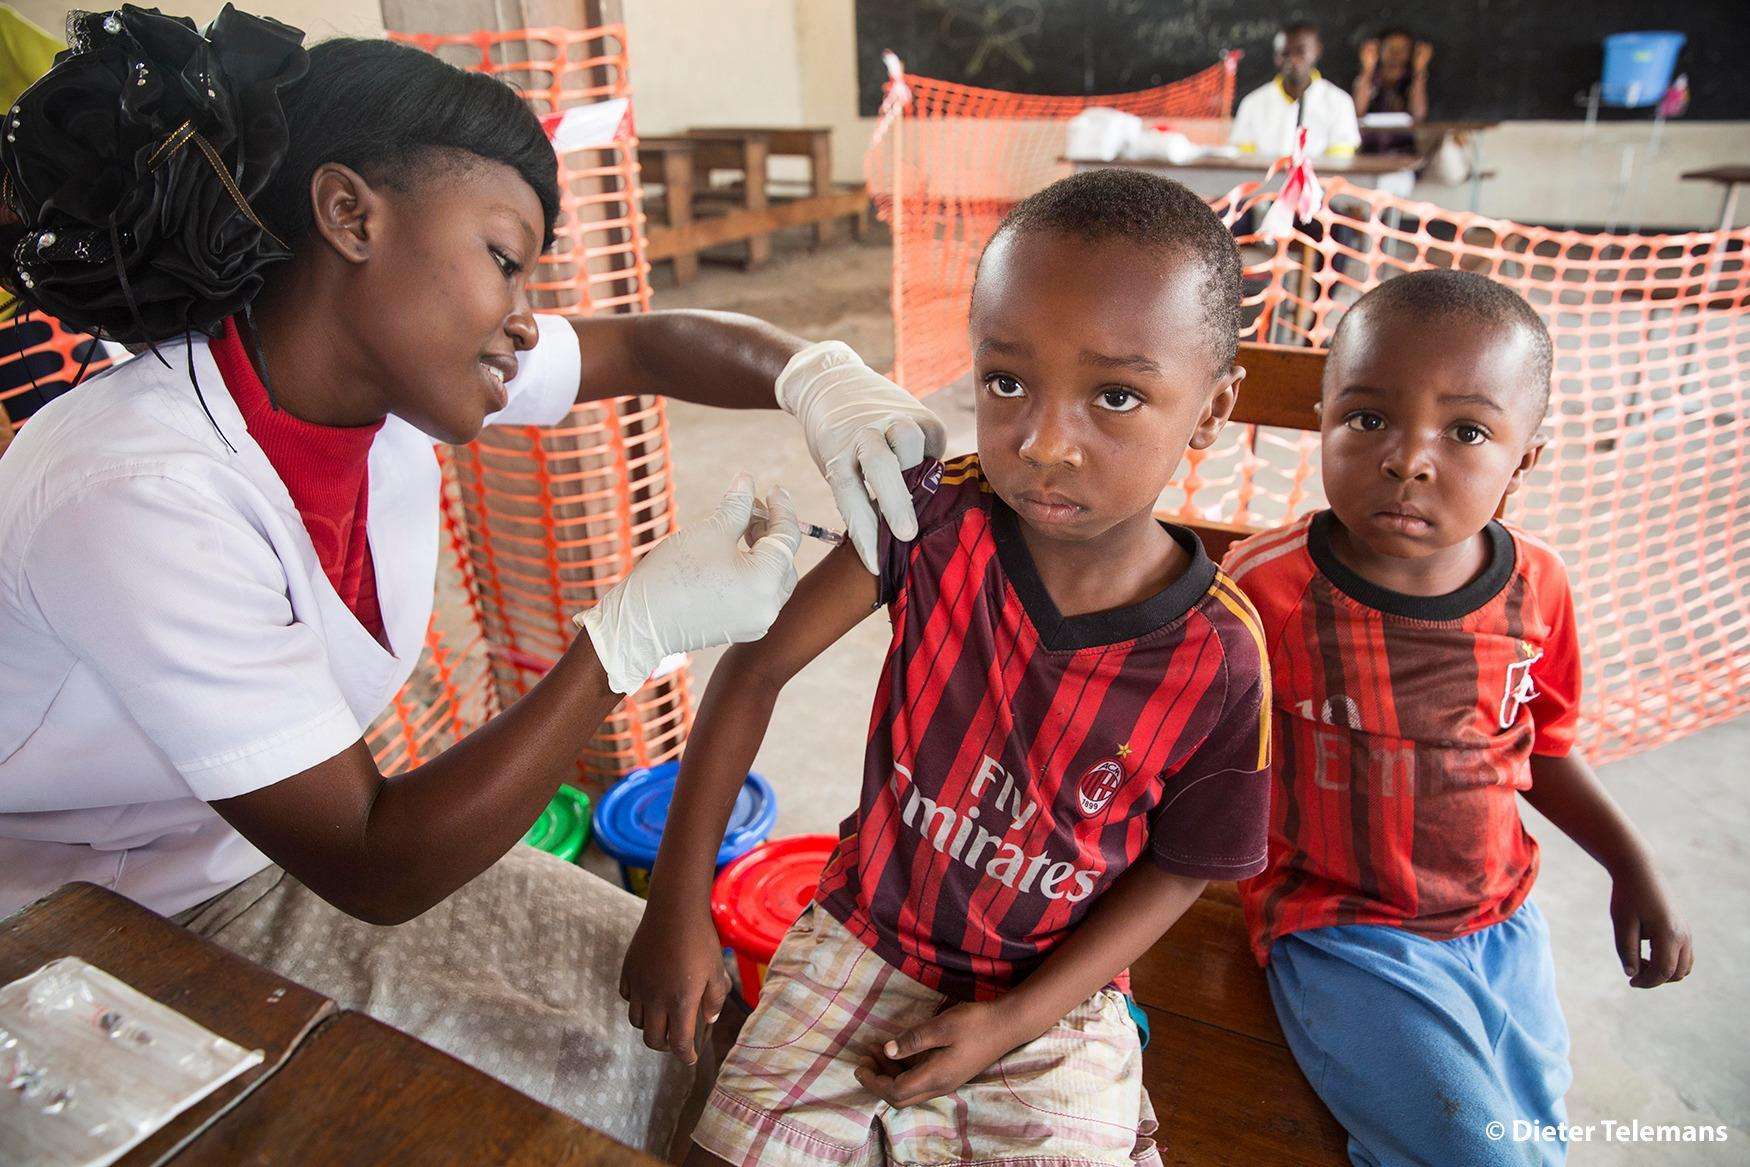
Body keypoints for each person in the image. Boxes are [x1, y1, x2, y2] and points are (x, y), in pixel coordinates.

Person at [0, 9, 945, 1154]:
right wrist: (626, 637)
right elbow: (374, 862)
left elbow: (643, 344)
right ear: (352, 214)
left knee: (686, 1028)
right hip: (83, 921)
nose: (525, 317)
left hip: (248, 851)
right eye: (504, 260)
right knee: (573, 1112)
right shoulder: (140, 491)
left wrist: (818, 377)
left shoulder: (378, 367)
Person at [622, 169, 1273, 1167]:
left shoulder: (1220, 659)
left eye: (1116, 395)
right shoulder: (927, 519)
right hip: (865, 934)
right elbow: (753, 672)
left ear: (1212, 408)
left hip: (1055, 999)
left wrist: (1008, 1023)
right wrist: (676, 906)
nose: (1047, 442)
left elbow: (1186, 868)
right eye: (1007, 382)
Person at [1223, 270, 1694, 1167]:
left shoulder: (1538, 590)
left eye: (1468, 431)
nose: (1408, 458)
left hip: (1501, 926)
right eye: (1367, 419)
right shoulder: (1268, 590)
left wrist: (1634, 869)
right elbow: (1184, 751)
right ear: (1324, 419)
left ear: (1525, 462)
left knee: (1534, 1138)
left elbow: (1543, 751)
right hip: (1342, 930)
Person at [1231, 21, 1360, 159]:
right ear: (1276, 57)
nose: (1293, 60)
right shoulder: (1252, 104)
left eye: (1301, 52)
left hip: (1319, 181)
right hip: (1264, 180)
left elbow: (1340, 165)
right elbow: (1243, 164)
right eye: (1285, 53)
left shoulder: (1340, 103)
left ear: (1317, 51)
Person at [1353, 28, 1431, 155]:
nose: (1396, 54)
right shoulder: (1370, 78)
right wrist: (1367, 70)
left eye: (1403, 49)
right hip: (1368, 154)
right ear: (1379, 50)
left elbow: (1418, 115)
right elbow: (1357, 111)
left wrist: (1420, 70)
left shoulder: (1412, 79)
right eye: (1390, 48)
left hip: (1404, 154)